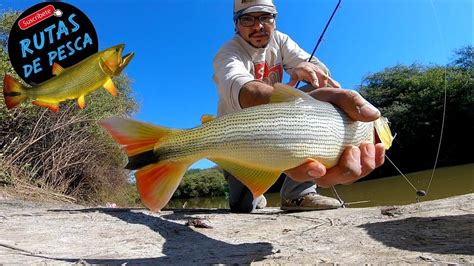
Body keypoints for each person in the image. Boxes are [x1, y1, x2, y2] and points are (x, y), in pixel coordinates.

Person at [213, 0, 385, 213]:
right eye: (247, 19)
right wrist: (290, 104)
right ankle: (255, 193)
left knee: (323, 94)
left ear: (274, 21)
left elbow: (323, 73)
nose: (258, 26)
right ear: (236, 25)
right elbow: (248, 92)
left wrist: (310, 68)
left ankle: (298, 194)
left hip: (285, 125)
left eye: (266, 17)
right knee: (243, 206)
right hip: (239, 135)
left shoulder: (281, 40)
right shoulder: (228, 53)